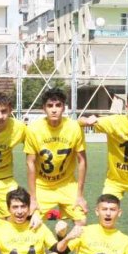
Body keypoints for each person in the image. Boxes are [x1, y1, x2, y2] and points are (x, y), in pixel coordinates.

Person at [24, 87, 88, 228]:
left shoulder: (74, 127)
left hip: (66, 183)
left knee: (81, 221)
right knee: (32, 222)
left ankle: (62, 245)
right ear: (43, 109)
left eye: (58, 105)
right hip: (43, 185)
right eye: (50, 106)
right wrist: (33, 198)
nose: (54, 109)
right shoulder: (33, 129)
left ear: (64, 108)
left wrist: (80, 195)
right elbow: (30, 164)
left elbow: (82, 161)